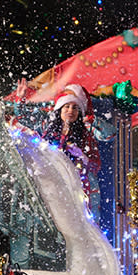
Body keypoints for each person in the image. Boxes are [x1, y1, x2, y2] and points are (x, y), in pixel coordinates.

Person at [42, 85, 101, 213]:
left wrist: (82, 157)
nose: (71, 110)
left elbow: (95, 166)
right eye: (67, 106)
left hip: (76, 190)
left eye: (75, 107)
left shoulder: (86, 135)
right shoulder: (48, 131)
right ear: (60, 109)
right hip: (51, 186)